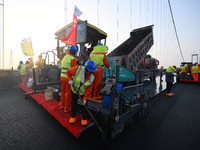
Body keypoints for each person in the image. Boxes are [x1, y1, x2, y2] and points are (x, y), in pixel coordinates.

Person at [67, 60, 97, 126]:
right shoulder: (78, 69)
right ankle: (73, 117)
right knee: (73, 104)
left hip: (82, 93)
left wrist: (85, 99)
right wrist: (70, 79)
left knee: (85, 106)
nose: (92, 73)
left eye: (93, 72)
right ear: (86, 70)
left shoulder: (92, 78)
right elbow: (68, 71)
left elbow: (89, 89)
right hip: (74, 91)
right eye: (91, 72)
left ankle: (84, 119)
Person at [59, 45, 78, 113]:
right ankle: (67, 108)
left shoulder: (65, 57)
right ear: (75, 53)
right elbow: (75, 71)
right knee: (68, 93)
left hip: (62, 77)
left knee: (63, 91)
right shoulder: (73, 59)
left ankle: (62, 104)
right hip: (68, 79)